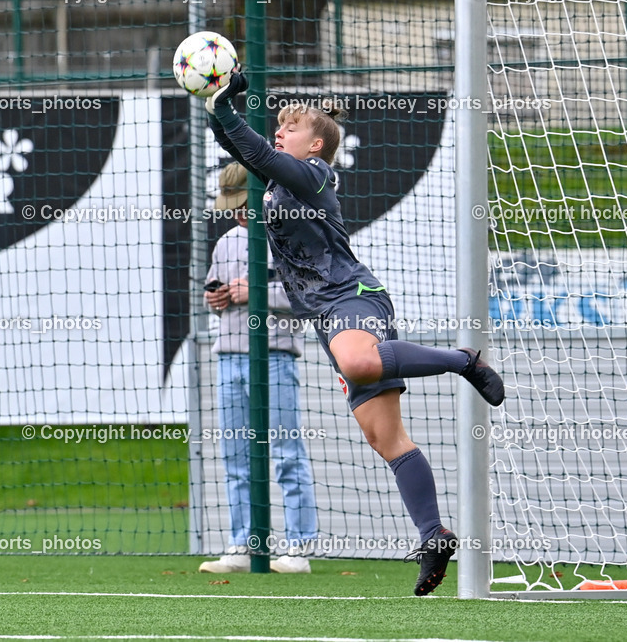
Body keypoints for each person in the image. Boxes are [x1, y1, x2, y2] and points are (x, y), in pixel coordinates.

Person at [205, 72, 505, 596]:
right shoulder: (277, 183)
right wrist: (218, 107)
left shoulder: (313, 173)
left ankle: (464, 361)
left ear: (316, 144)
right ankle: (433, 535)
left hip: (354, 297)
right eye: (278, 125)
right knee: (385, 439)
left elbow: (257, 152)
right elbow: (243, 149)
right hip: (327, 318)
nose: (280, 131)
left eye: (291, 126)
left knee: (360, 363)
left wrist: (226, 109)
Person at [198, 162, 319, 575]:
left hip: (275, 357)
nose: (234, 212)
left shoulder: (292, 237)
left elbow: (307, 300)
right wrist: (214, 299)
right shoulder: (226, 243)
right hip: (229, 356)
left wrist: (256, 293)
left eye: (240, 203)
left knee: (287, 453)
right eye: (230, 205)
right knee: (236, 456)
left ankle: (299, 548)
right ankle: (241, 544)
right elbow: (212, 292)